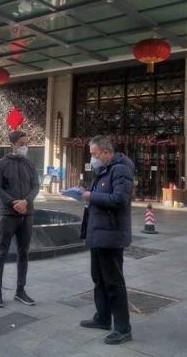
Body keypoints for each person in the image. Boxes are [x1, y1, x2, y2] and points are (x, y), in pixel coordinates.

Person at [79, 135, 134, 345]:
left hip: (111, 236)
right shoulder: (103, 171)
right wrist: (86, 197)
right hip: (98, 234)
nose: (92, 158)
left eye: (94, 154)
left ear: (106, 152)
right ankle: (102, 318)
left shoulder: (120, 170)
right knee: (99, 279)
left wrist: (91, 196)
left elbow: (119, 199)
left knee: (113, 282)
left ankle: (122, 328)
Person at [0, 130, 40, 308]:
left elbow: (36, 186)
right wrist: (13, 203)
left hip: (27, 214)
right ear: (12, 144)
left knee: (23, 252)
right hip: (8, 214)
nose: (24, 146)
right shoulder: (2, 163)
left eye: (26, 143)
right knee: (1, 252)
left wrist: (26, 201)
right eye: (21, 143)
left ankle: (21, 290)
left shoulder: (30, 164)